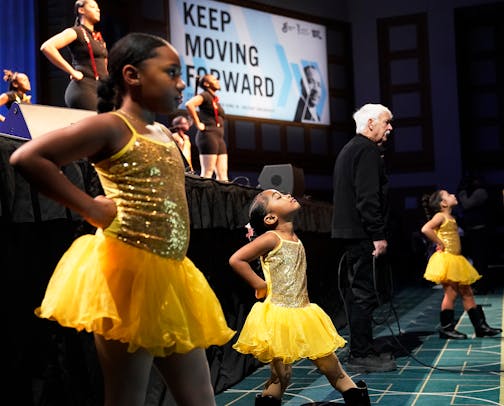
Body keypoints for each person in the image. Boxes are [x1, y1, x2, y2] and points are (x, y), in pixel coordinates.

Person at [10, 32, 235, 406]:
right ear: (132, 75)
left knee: (200, 397)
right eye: (171, 72)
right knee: (127, 397)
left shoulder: (163, 131)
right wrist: (90, 207)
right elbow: (28, 158)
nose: (181, 83)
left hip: (172, 276)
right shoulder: (113, 126)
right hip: (127, 276)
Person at [229, 189, 371, 406]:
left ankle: (358, 400)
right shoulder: (271, 238)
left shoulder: (295, 238)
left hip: (304, 314)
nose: (286, 195)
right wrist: (259, 283)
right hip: (278, 316)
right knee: (281, 376)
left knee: (331, 366)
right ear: (270, 218)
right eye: (278, 197)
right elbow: (237, 259)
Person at [331, 103, 397, 373]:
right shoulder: (367, 150)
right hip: (362, 234)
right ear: (370, 124)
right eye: (387, 122)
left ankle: (363, 347)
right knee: (363, 295)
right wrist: (378, 235)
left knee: (359, 293)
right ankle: (360, 354)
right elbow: (368, 198)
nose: (390, 127)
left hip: (352, 233)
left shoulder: (351, 148)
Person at [421, 189, 501, 339]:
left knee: (467, 292)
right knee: (450, 293)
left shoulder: (451, 217)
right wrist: (439, 242)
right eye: (449, 195)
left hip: (457, 259)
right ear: (443, 203)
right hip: (447, 259)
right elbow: (425, 229)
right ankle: (446, 328)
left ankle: (480, 326)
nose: (453, 195)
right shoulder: (440, 216)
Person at [40, 0, 107, 111]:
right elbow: (47, 47)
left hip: (101, 88)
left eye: (98, 7)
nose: (98, 9)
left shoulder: (97, 38)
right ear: (81, 10)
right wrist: (72, 71)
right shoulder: (76, 32)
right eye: (93, 6)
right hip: (84, 88)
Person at [185, 74, 228, 181]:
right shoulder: (205, 95)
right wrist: (198, 123)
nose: (217, 81)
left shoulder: (214, 99)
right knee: (207, 172)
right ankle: (203, 197)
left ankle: (222, 197)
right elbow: (189, 104)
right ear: (206, 84)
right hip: (208, 136)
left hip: (219, 137)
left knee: (223, 175)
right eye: (214, 79)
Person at [457, 174, 491, 292]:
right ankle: (478, 284)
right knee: (476, 259)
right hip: (472, 230)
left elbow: (467, 204)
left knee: (480, 259)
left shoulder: (480, 192)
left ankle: (482, 285)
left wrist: (462, 193)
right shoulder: (474, 191)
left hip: (480, 230)